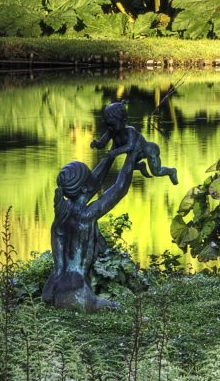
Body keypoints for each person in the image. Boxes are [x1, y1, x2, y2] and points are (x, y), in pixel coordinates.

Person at [42, 146, 140, 312]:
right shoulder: (85, 216)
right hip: (75, 291)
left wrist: (110, 156)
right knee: (118, 310)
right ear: (84, 189)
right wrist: (132, 156)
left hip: (52, 289)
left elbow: (93, 183)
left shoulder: (62, 212)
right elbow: (119, 188)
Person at [91, 101, 178, 185]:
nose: (110, 127)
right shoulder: (111, 131)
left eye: (113, 124)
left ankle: (171, 171)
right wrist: (96, 144)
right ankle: (141, 166)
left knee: (156, 172)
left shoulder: (130, 131)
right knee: (128, 167)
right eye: (108, 124)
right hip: (136, 155)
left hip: (149, 151)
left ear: (123, 120)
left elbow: (129, 146)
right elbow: (102, 143)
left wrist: (115, 152)